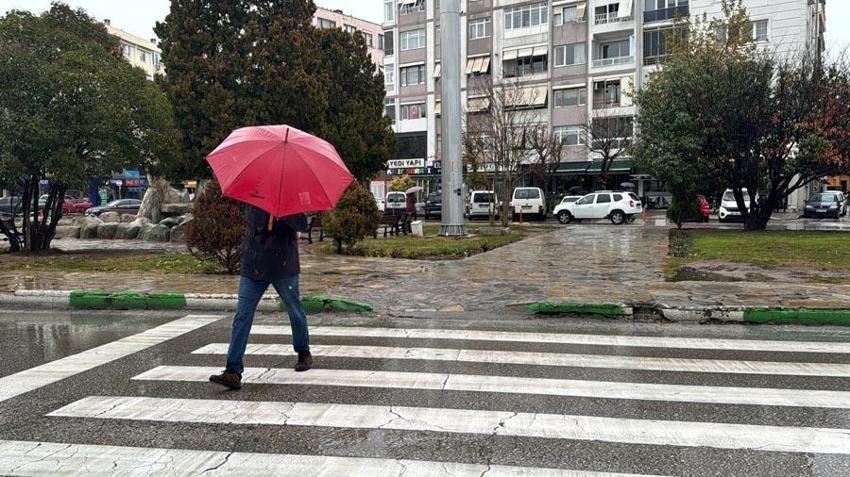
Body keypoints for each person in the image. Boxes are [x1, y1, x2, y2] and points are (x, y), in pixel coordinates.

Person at [210, 205, 312, 391]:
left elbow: (302, 225)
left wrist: (282, 214)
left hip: (283, 265)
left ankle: (303, 351)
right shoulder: (253, 197)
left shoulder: (288, 200)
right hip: (253, 265)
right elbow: (251, 222)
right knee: (242, 316)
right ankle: (233, 370)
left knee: (295, 310)